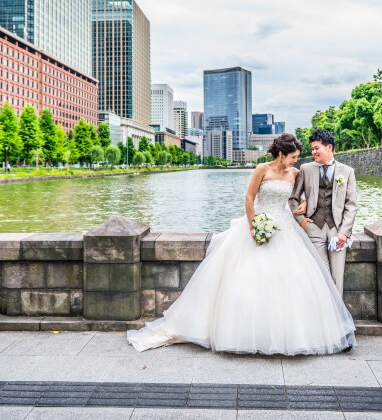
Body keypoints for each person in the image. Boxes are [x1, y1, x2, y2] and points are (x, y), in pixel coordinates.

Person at [126, 133, 355, 355]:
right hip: (259, 223)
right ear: (282, 154)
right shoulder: (261, 169)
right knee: (247, 279)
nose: (296, 161)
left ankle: (289, 332)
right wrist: (253, 226)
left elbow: (300, 196)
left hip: (285, 228)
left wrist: (304, 204)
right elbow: (249, 198)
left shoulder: (295, 173)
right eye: (293, 156)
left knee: (291, 279)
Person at [289, 129, 357, 296]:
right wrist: (301, 220)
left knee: (337, 276)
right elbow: (293, 198)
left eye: (316, 148)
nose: (313, 152)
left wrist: (343, 233)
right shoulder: (305, 169)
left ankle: (338, 318)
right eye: (312, 149)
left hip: (337, 229)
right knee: (321, 273)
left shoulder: (347, 171)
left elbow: (351, 204)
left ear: (329, 147)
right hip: (314, 228)